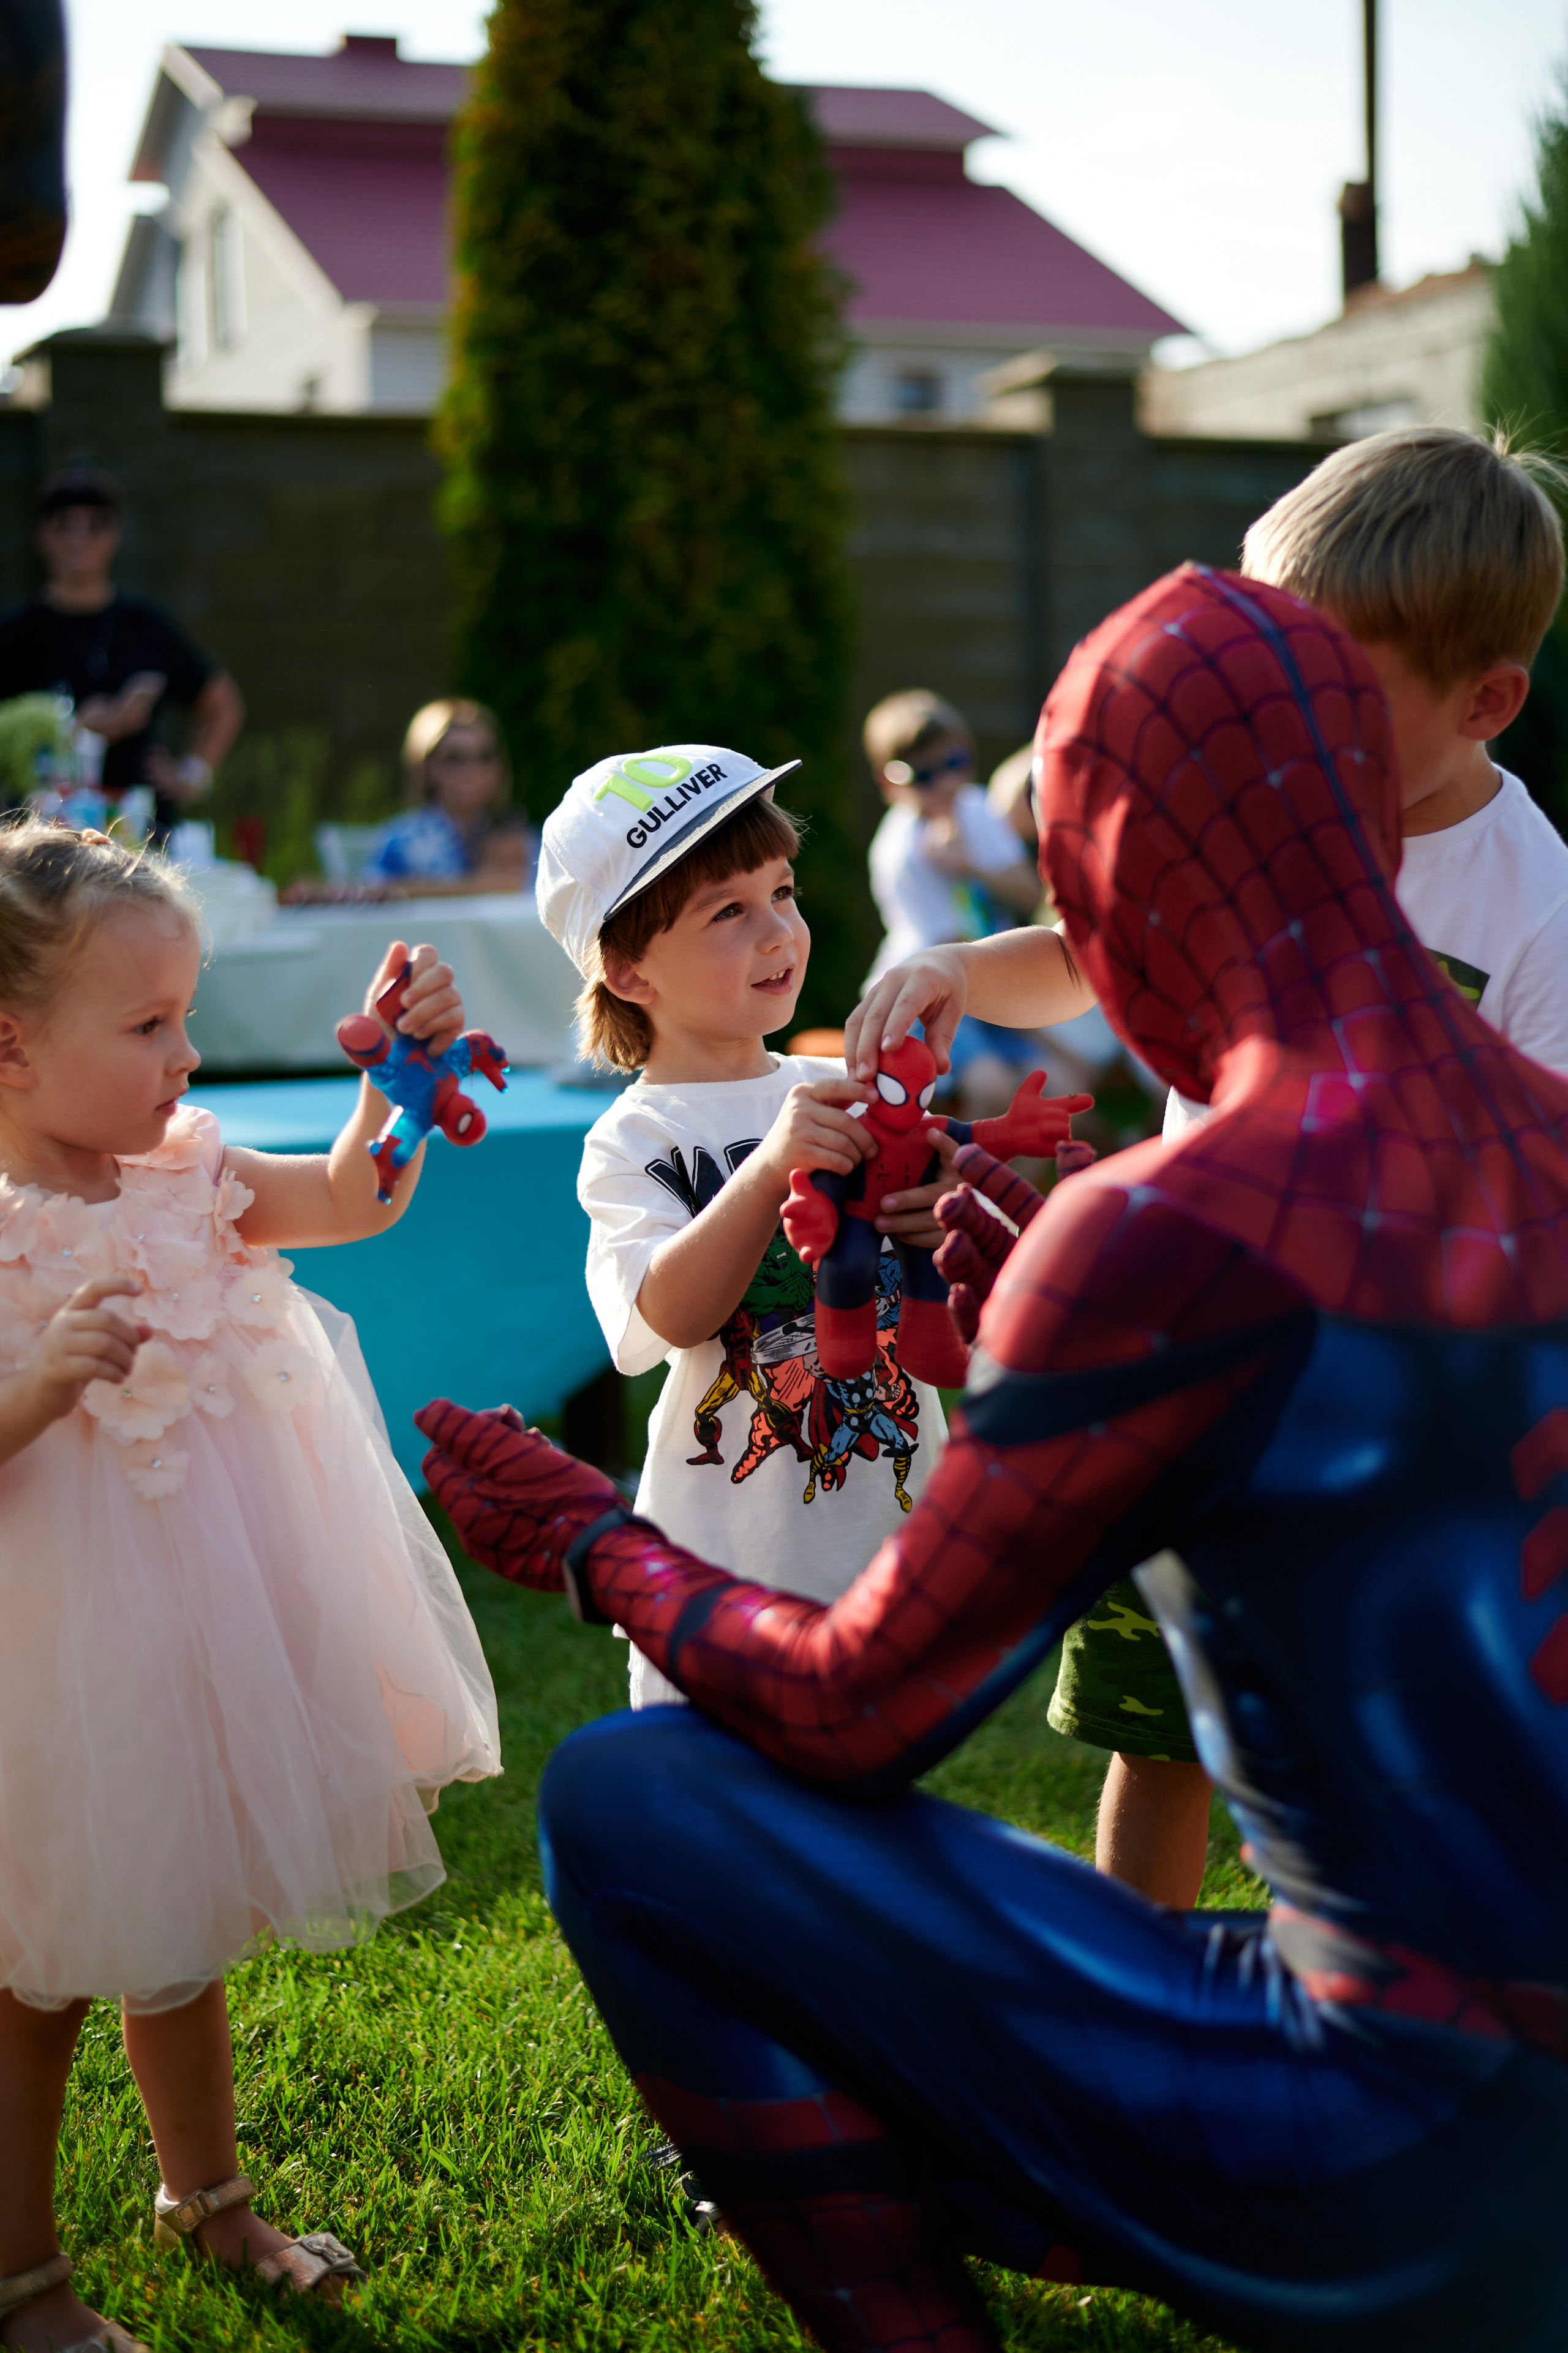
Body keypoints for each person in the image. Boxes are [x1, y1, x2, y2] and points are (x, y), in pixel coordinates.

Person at [424, 565, 1568, 2353]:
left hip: (1393, 2145)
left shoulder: (1176, 1228)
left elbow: (857, 1711)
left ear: (1120, 876)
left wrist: (594, 1541)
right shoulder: (1534, 1137)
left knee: (627, 1795)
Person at [0, 823, 500, 2353]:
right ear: (11, 1047)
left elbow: (358, 1196)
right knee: (36, 1967)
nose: (188, 1053)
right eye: (148, 1023)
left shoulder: (191, 1173)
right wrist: (35, 1387)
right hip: (49, 1647)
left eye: (187, 1014)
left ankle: (208, 2196)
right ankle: (21, 2277)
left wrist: (396, 1086)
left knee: (176, 1898)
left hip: (197, 1614)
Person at [1057, 424, 1568, 1910]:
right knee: (1158, 1730)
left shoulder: (1533, 908)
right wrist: (962, 969)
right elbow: (1104, 942)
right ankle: (1126, 1996)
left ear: (1482, 700)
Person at [535, 741, 959, 1711]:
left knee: (872, 1782)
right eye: (728, 911)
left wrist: (936, 1219)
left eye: (783, 892)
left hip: (890, 1535)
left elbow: (952, 1304)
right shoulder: (635, 1137)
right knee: (718, 1795)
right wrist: (770, 1168)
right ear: (628, 970)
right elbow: (663, 1321)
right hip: (725, 1563)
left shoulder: (845, 1088)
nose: (778, 932)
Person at [0, 469, 243, 837]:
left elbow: (223, 703)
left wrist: (191, 776)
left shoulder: (145, 625)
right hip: (51, 839)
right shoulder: (17, 633)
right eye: (64, 524)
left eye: (94, 525)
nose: (79, 539)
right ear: (42, 535)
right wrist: (78, 727)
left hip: (142, 833)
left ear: (115, 535)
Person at [862, 691, 1045, 1116]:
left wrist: (969, 864)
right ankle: (964, 1162)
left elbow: (1031, 893)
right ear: (890, 783)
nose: (946, 783)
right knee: (993, 1089)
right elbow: (950, 943)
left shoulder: (976, 808)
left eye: (954, 763)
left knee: (1060, 1084)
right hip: (919, 995)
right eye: (924, 775)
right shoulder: (899, 849)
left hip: (981, 980)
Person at [360, 699, 533, 895]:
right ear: (427, 765)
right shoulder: (399, 842)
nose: (472, 770)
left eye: (485, 756)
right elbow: (375, 898)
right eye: (454, 758)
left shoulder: (526, 837)